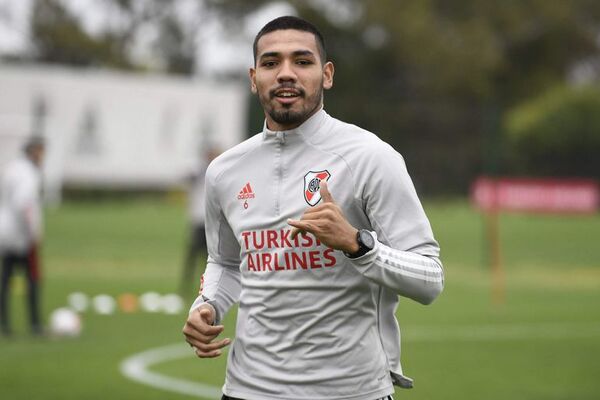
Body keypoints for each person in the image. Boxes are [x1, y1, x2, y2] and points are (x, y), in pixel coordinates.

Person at [182, 16, 444, 400]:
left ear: (327, 74)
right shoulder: (224, 171)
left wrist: (357, 244)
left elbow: (430, 280)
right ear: (254, 78)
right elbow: (225, 263)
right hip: (247, 390)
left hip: (353, 392)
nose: (286, 73)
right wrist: (207, 305)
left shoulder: (371, 157)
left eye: (302, 61)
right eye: (271, 63)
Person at [0, 136, 45, 336]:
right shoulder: (28, 174)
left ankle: (4, 324)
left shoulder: (12, 168)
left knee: (6, 278)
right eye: (41, 152)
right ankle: (35, 324)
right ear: (33, 151)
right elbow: (24, 204)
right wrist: (33, 232)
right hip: (21, 234)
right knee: (33, 278)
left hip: (5, 228)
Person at [180, 146, 220, 299]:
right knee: (192, 256)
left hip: (211, 222)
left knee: (210, 259)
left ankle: (206, 289)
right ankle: (186, 288)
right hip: (198, 221)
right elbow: (187, 178)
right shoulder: (200, 172)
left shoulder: (218, 174)